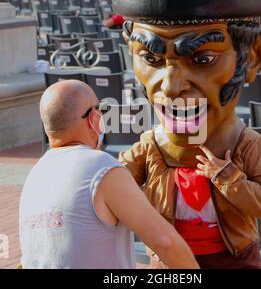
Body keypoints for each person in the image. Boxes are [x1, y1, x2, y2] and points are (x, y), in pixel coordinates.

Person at [113, 0, 261, 269]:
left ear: (254, 56)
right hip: (170, 264)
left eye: (202, 59)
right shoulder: (151, 147)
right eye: (151, 59)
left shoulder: (245, 144)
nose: (169, 86)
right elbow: (112, 185)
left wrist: (229, 178)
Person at [19, 80, 199, 269]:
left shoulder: (35, 176)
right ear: (92, 117)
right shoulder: (100, 166)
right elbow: (164, 242)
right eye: (101, 110)